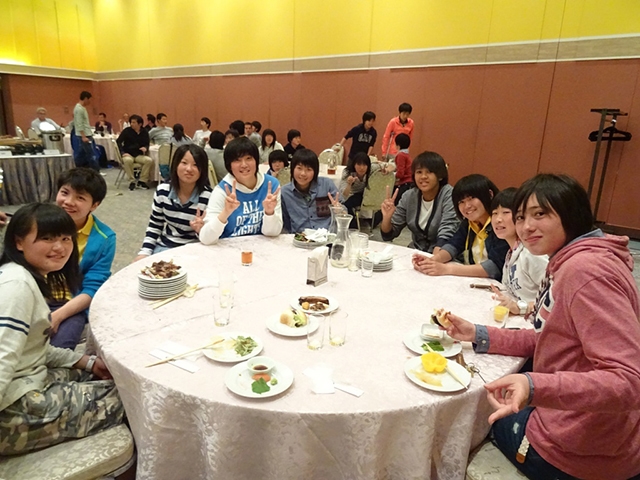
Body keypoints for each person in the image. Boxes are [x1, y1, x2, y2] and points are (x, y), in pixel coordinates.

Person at [443, 174, 640, 480]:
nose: (526, 227)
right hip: (588, 427)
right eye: (522, 216)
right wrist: (479, 334)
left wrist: (534, 386)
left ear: (572, 214)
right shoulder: (572, 260)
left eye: (540, 214)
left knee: (471, 418)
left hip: (583, 453)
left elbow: (629, 381)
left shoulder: (585, 273)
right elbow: (550, 337)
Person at [0, 203, 124, 455]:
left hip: (28, 377)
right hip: (12, 408)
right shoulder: (17, 286)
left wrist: (87, 362)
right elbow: (3, 357)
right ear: (19, 242)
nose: (60, 247)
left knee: (118, 377)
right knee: (133, 398)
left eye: (66, 238)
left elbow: (33, 346)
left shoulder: (22, 275)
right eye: (47, 238)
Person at [50, 168, 115, 349]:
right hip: (33, 295)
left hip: (70, 304)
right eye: (65, 193)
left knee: (60, 347)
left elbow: (93, 288)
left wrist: (58, 316)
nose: (68, 202)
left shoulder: (104, 238)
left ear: (94, 205)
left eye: (80, 197)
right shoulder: (38, 223)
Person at [413, 174, 509, 280]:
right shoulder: (469, 223)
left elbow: (494, 267)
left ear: (490, 194)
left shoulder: (500, 225)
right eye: (461, 202)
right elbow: (454, 245)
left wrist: (446, 269)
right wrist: (433, 260)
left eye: (471, 198)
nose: (467, 206)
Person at [135, 145, 212, 260]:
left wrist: (200, 230)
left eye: (196, 165)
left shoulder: (209, 197)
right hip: (166, 247)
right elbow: (155, 225)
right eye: (184, 163)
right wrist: (144, 252)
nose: (189, 169)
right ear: (175, 165)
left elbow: (212, 238)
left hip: (195, 251)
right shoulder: (163, 191)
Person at [199, 136, 282, 244]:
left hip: (261, 247)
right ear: (229, 165)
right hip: (230, 248)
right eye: (237, 160)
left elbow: (273, 233)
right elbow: (206, 239)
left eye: (248, 158)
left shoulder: (271, 185)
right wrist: (225, 213)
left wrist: (269, 212)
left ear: (256, 160)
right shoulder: (222, 190)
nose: (244, 165)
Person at [380, 151, 459, 253]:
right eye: (419, 172)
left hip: (444, 254)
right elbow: (388, 235)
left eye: (429, 172)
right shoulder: (409, 196)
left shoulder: (449, 195)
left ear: (440, 176)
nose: (423, 176)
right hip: (416, 252)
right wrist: (386, 218)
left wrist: (433, 259)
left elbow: (448, 230)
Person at [489, 188, 548, 314]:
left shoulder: (532, 254)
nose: (498, 219)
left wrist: (521, 307)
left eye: (505, 212)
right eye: (494, 213)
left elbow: (555, 298)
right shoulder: (511, 253)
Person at [281, 149, 340, 233]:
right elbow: (285, 222)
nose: (303, 173)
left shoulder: (327, 185)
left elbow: (343, 211)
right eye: (299, 168)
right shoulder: (285, 193)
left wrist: (339, 210)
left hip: (326, 236)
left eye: (308, 169)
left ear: (315, 172)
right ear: (292, 169)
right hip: (300, 237)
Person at [339, 152, 393, 220]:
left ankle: (371, 221)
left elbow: (391, 165)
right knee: (346, 205)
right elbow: (344, 195)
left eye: (364, 165)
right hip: (352, 194)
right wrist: (349, 184)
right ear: (354, 164)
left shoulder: (371, 168)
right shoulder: (347, 172)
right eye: (359, 164)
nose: (362, 168)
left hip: (367, 194)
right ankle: (352, 222)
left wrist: (387, 170)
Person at [116, 114, 153, 191]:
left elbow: (147, 143)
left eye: (134, 122)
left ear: (140, 124)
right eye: (131, 122)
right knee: (128, 160)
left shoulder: (144, 132)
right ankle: (132, 181)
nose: (131, 124)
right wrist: (122, 152)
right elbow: (118, 142)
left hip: (138, 154)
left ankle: (142, 181)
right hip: (128, 153)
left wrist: (145, 148)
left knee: (149, 160)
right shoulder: (127, 131)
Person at [72, 91, 98, 171]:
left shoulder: (82, 108)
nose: (90, 102)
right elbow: (79, 123)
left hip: (86, 134)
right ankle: (96, 171)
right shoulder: (79, 109)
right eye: (89, 100)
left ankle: (77, 170)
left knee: (81, 154)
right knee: (91, 155)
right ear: (86, 98)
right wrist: (83, 136)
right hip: (84, 135)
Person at [392, 133, 412, 203]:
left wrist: (393, 174)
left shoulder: (401, 155)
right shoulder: (406, 155)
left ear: (398, 145)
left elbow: (400, 173)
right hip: (409, 182)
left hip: (405, 183)